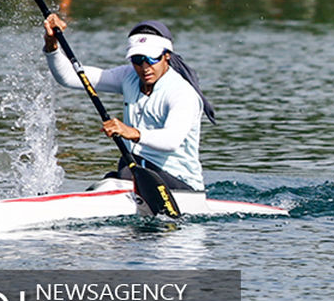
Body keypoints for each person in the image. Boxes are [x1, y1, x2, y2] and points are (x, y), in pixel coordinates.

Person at [42, 15, 215, 193]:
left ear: (167, 56)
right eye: (137, 60)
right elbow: (70, 77)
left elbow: (171, 140)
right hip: (138, 171)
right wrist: (51, 45)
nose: (145, 67)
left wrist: (131, 132)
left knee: (122, 172)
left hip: (181, 183)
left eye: (152, 59)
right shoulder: (129, 77)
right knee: (122, 169)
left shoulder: (182, 93)